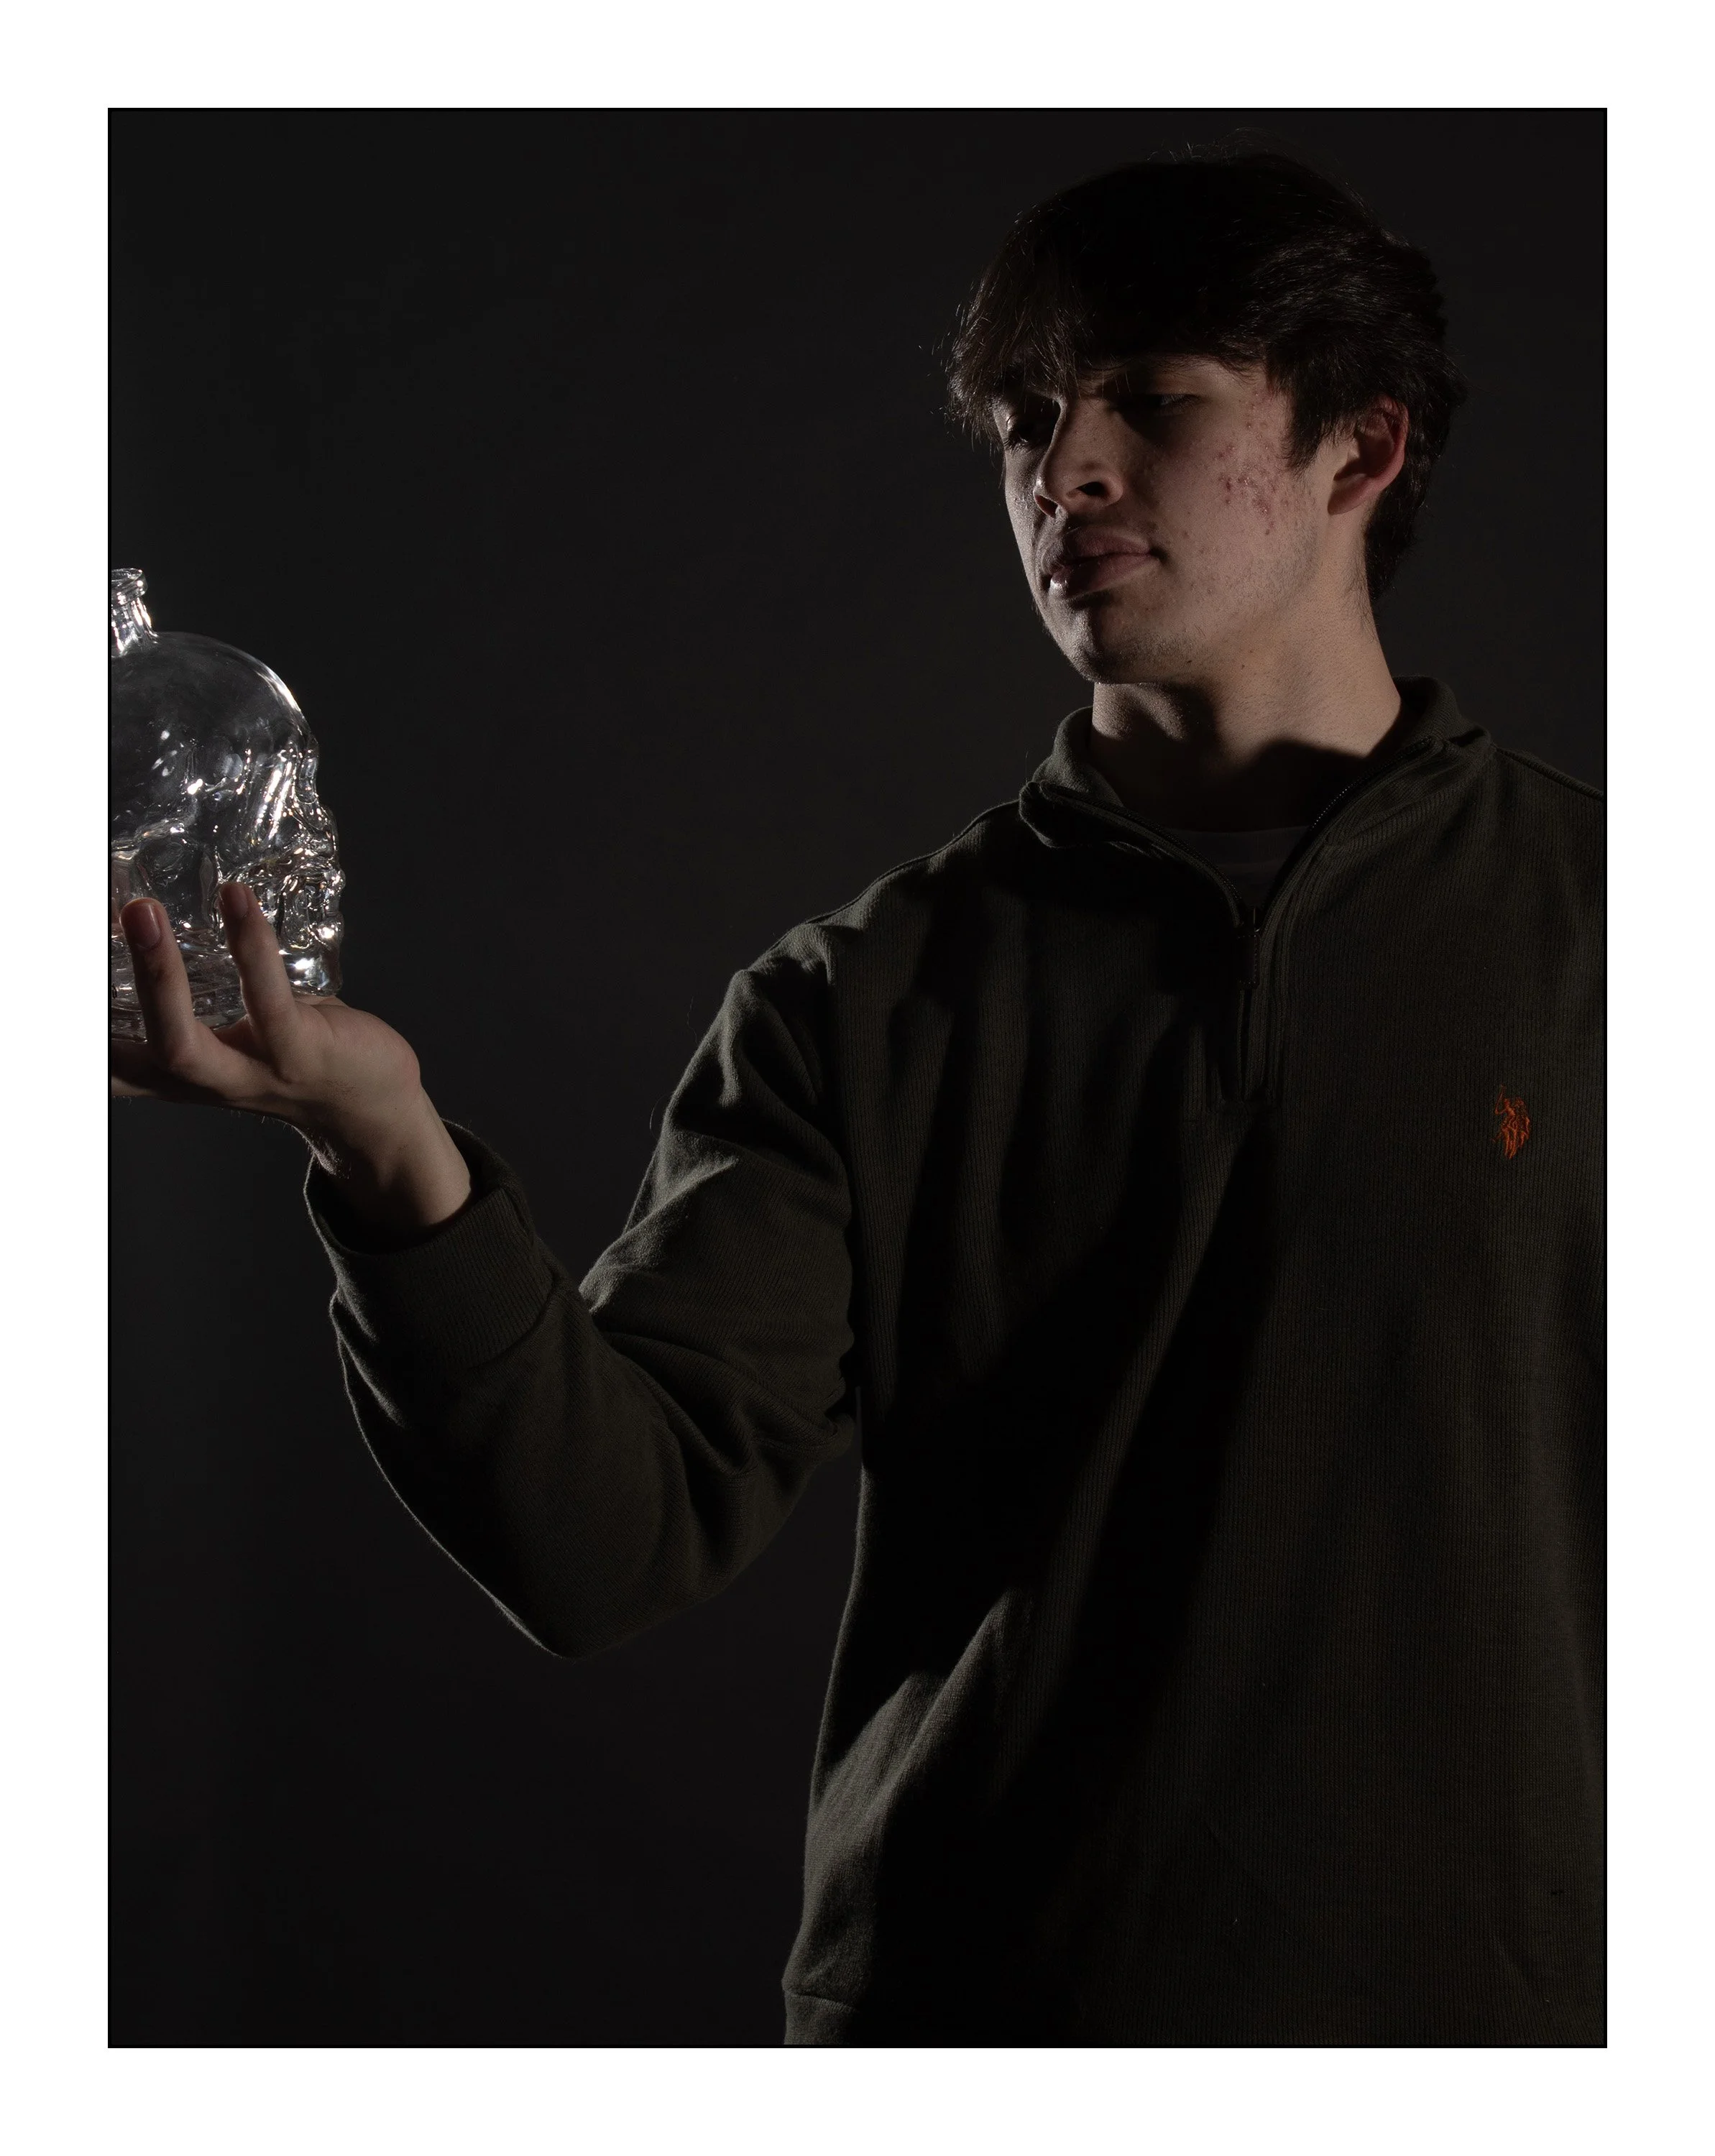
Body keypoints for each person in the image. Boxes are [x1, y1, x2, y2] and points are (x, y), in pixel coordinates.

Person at [110, 150, 1604, 2045]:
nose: (1066, 472)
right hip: (981, 2033)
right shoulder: (863, 997)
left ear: (1361, 450)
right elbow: (605, 1542)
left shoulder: (1620, 932)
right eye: (1028, 418)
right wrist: (381, 1144)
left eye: (1152, 401)